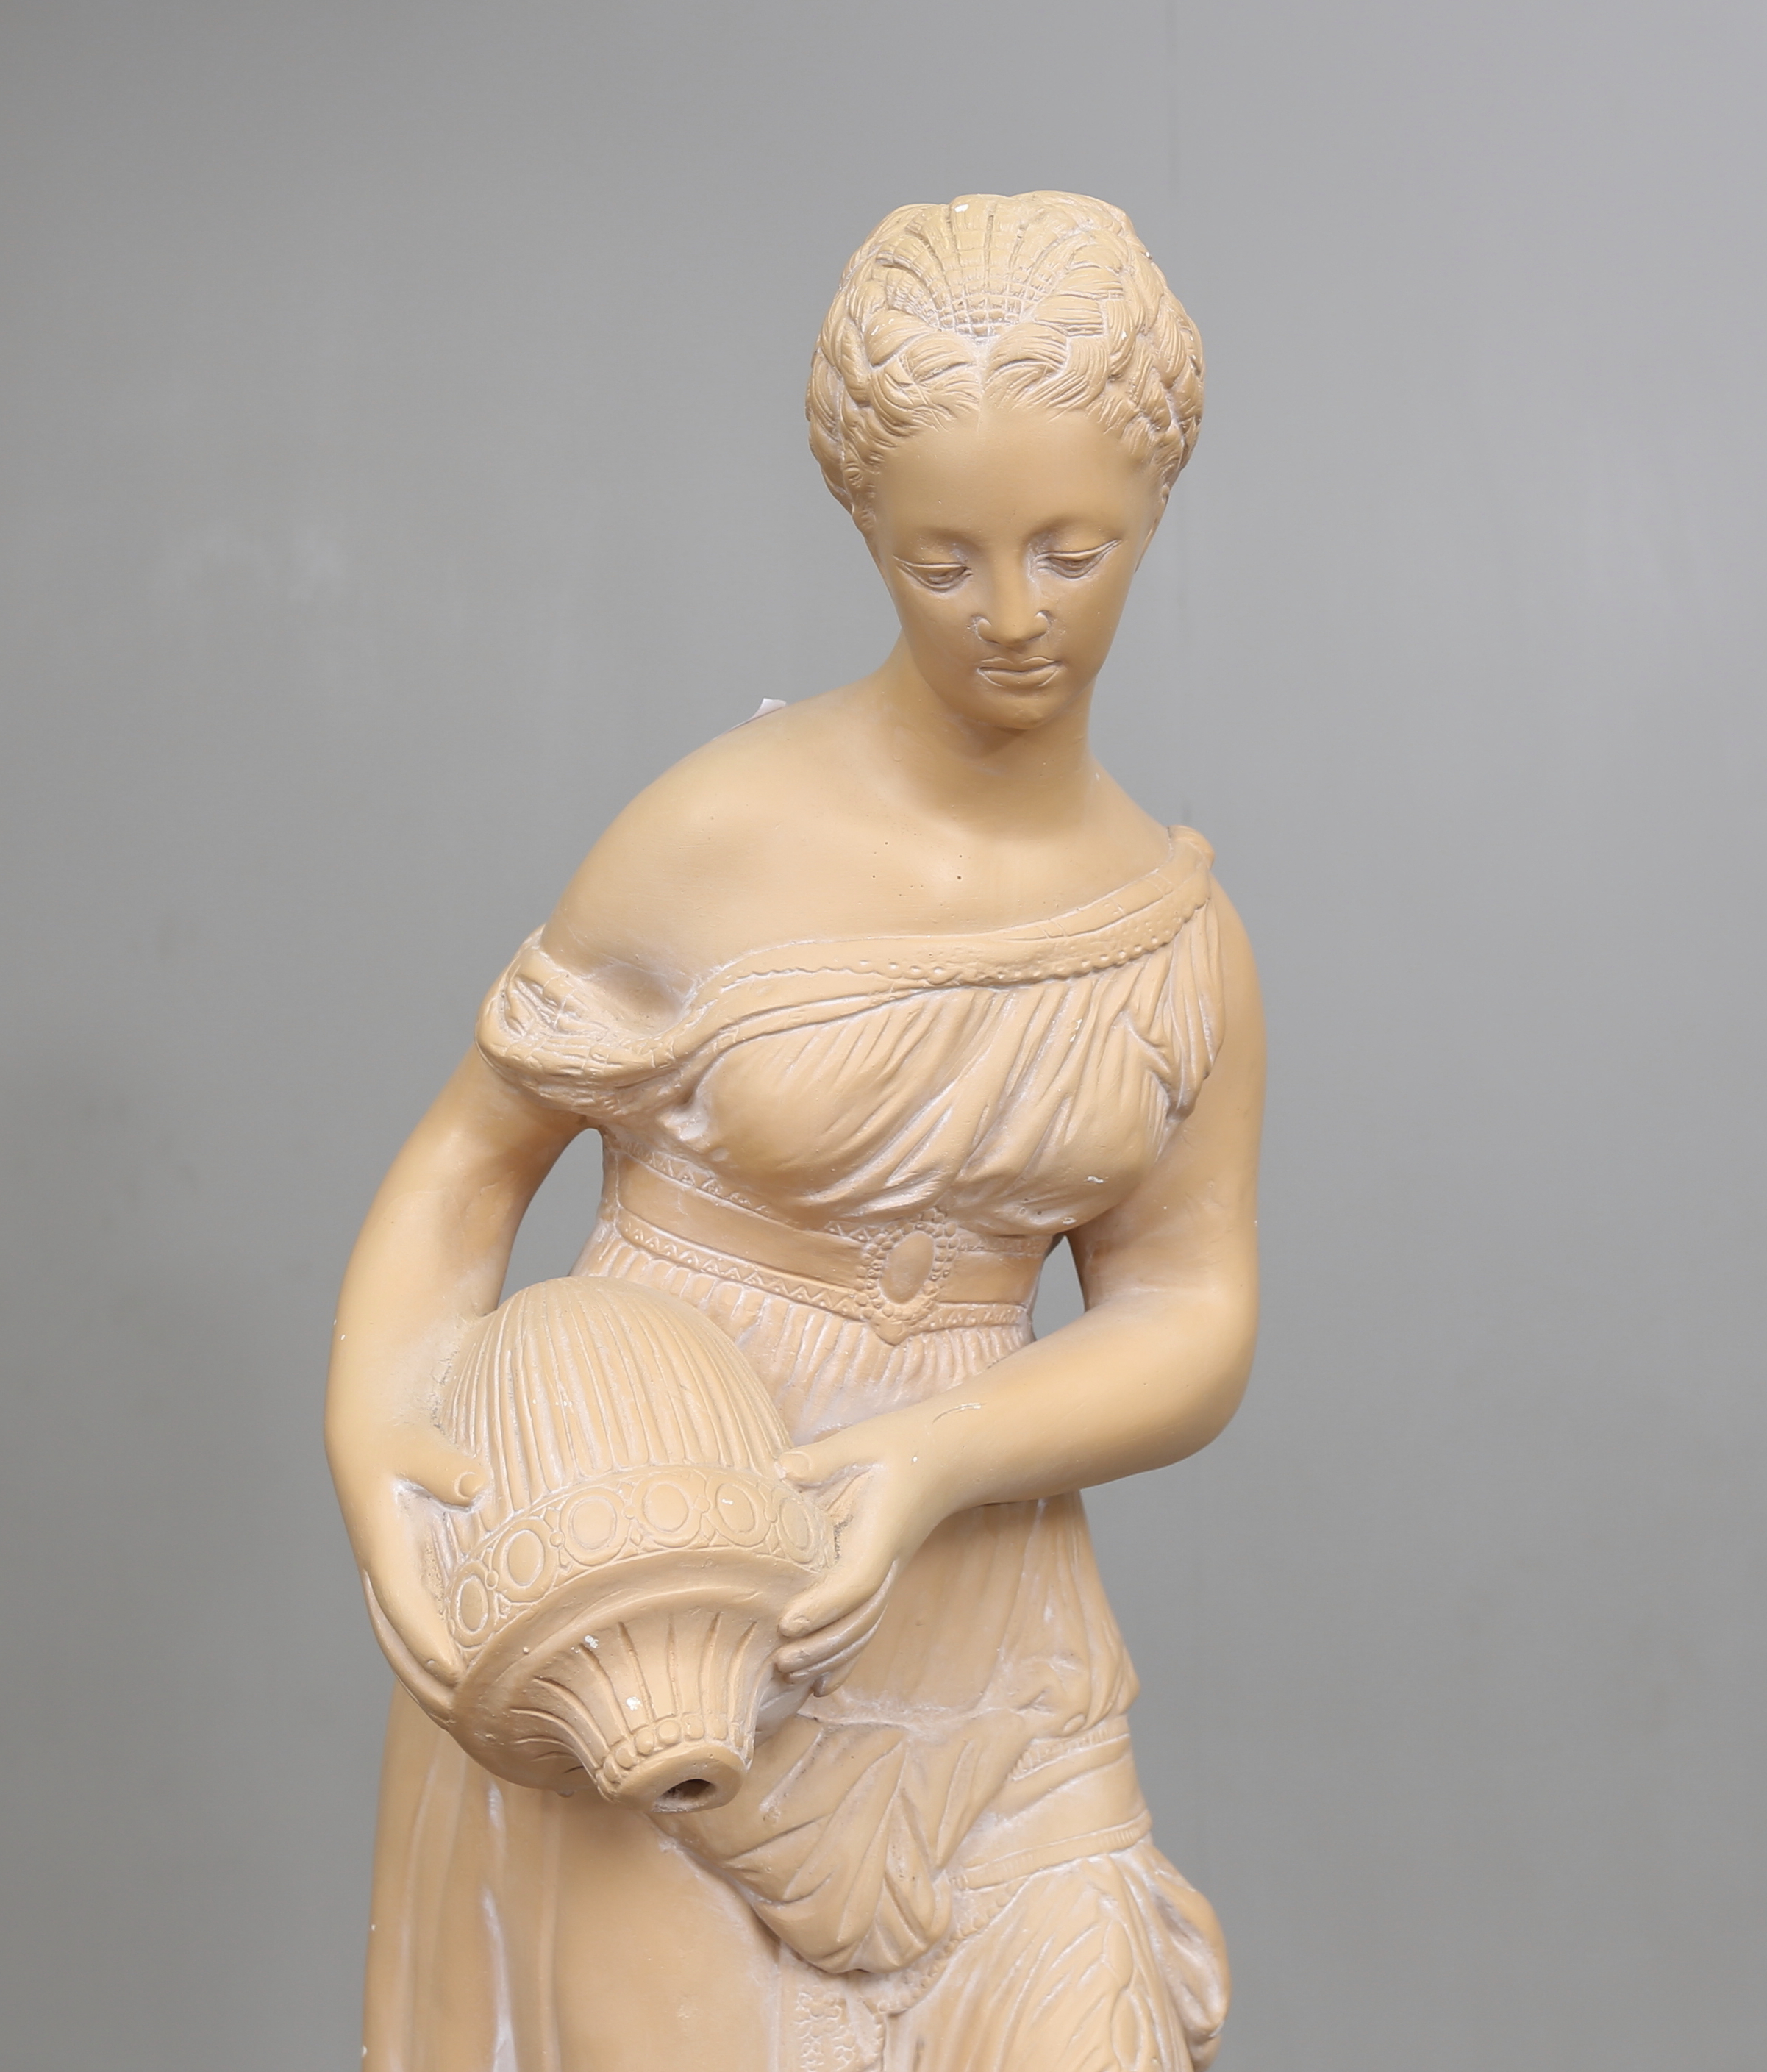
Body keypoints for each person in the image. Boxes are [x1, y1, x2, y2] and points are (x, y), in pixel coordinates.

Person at [327, 190, 1265, 2072]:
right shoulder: (716, 835)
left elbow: (1190, 1309)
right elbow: (466, 1159)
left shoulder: (1175, 940)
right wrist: (384, 1440)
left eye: (1070, 548)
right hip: (653, 1563)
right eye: (943, 560)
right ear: (867, 531)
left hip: (981, 1615)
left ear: (1153, 507)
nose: (1014, 613)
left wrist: (928, 1457)